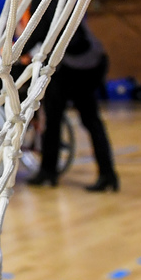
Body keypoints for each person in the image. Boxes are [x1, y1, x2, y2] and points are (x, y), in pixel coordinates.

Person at [27, 18, 118, 192]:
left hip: (70, 70)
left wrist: (11, 55)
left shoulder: (45, 4)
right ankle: (108, 175)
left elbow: (37, 36)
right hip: (93, 66)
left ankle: (48, 172)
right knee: (92, 121)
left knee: (53, 121)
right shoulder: (69, 2)